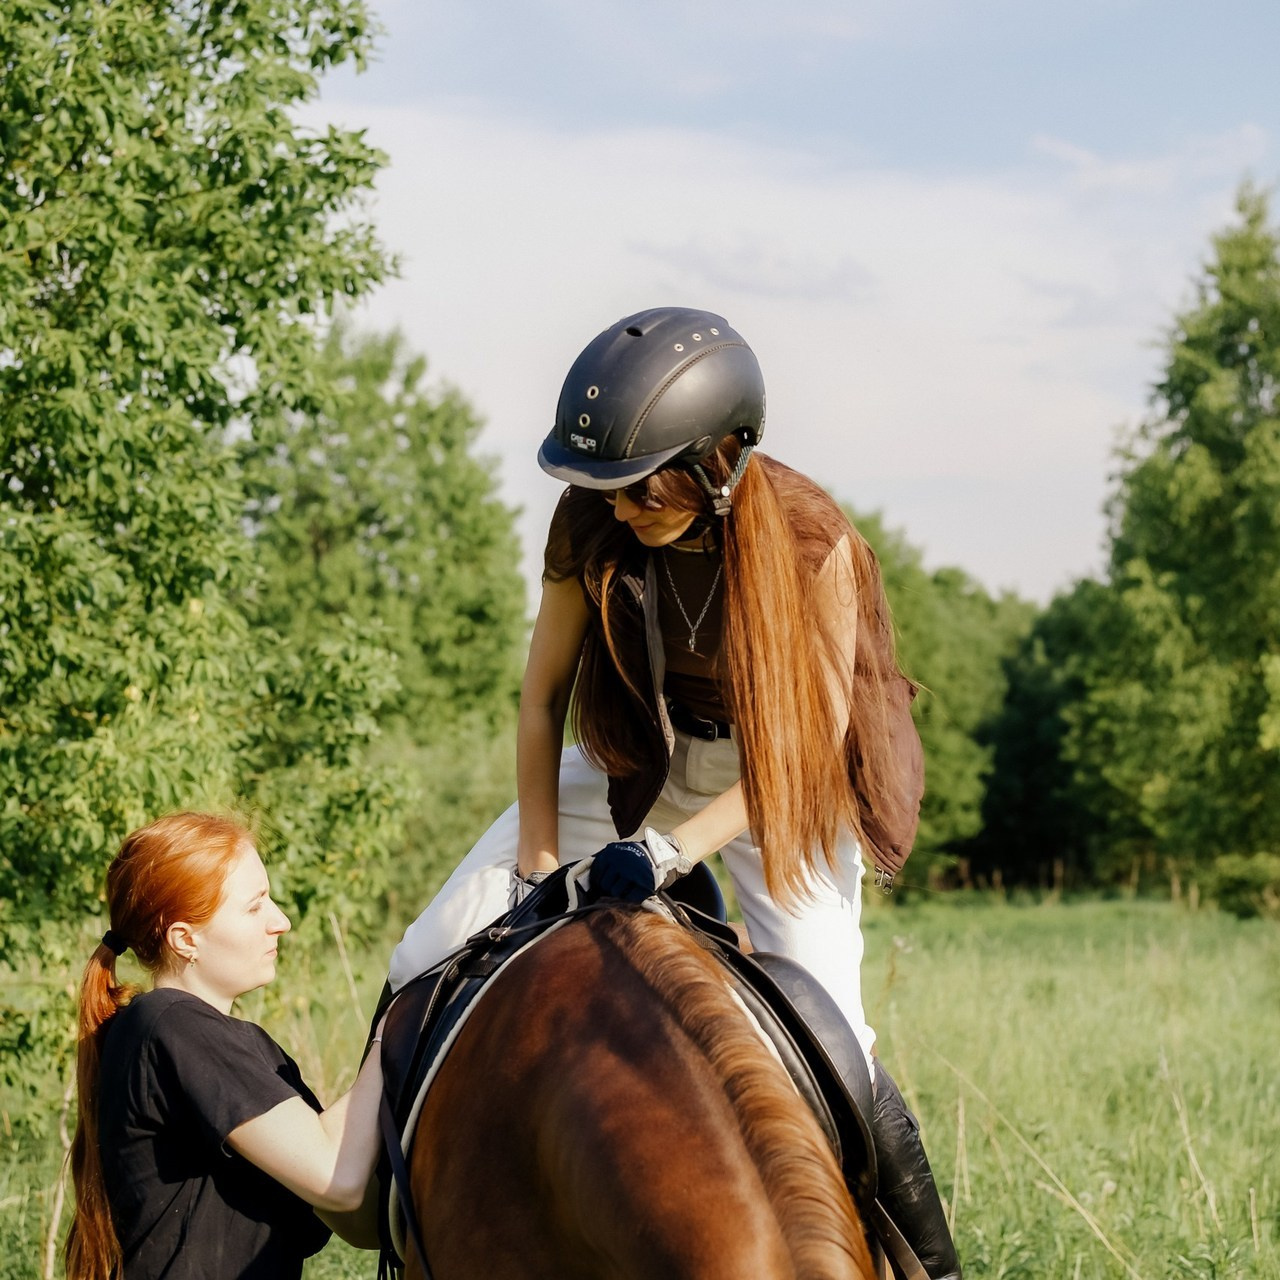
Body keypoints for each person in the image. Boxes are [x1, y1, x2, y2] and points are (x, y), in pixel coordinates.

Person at [389, 306, 960, 1278]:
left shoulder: (812, 542)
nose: (618, 507)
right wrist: (535, 854)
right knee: (421, 950)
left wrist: (664, 853)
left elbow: (798, 760)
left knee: (841, 1044)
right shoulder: (592, 514)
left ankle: (927, 1263)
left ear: (719, 457)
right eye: (604, 486)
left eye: (639, 486)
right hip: (640, 758)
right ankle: (397, 1227)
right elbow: (538, 701)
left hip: (779, 782)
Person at [65, 811, 385, 1280]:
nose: (282, 921)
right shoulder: (170, 1024)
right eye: (255, 907)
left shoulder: (238, 1045)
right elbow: (338, 1179)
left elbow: (362, 1222)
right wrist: (395, 1027)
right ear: (185, 938)